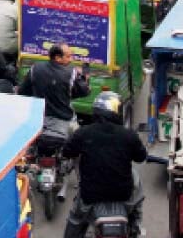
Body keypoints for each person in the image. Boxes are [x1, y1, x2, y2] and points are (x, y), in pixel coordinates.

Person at [63, 91, 147, 238]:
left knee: (75, 219)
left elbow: (67, 152)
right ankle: (136, 224)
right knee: (135, 176)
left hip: (90, 198)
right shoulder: (129, 135)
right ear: (116, 111)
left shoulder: (83, 133)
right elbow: (141, 157)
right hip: (124, 197)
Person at [18, 44, 89, 139]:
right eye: (68, 57)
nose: (71, 60)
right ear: (57, 58)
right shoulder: (72, 73)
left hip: (37, 121)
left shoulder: (35, 68)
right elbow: (85, 91)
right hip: (62, 123)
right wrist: (85, 77)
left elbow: (23, 92)